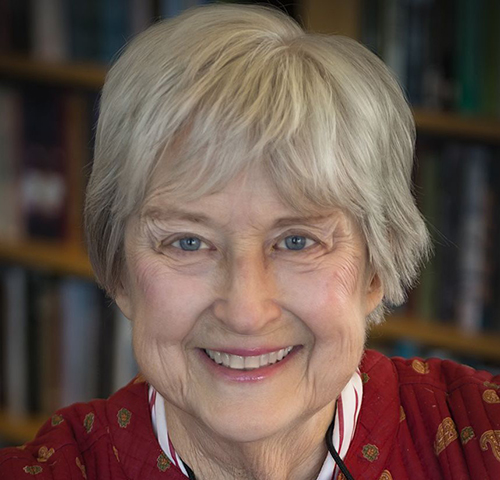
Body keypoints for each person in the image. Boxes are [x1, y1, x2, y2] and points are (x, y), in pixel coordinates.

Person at [1, 4, 499, 479]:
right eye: (188, 243)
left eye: (298, 241)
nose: (244, 311)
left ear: (375, 268)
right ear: (119, 272)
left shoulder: (484, 436)